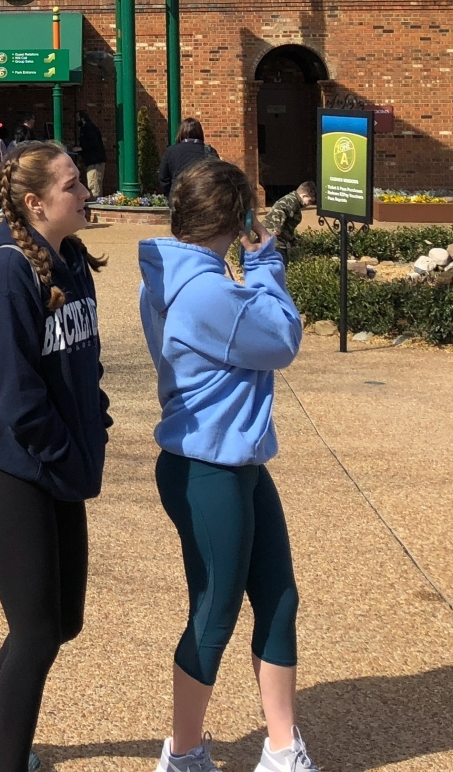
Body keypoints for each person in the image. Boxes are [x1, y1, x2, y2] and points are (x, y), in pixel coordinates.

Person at [138, 159, 312, 772]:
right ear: (235, 220)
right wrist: (265, 262)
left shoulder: (172, 271)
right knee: (214, 611)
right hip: (206, 468)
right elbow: (282, 338)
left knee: (278, 596)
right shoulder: (208, 291)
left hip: (231, 461)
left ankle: (283, 747)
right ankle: (182, 754)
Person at [0, 142, 109, 772]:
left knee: (62, 620)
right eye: (73, 186)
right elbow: (14, 393)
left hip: (59, 461)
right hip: (9, 467)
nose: (85, 193)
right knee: (38, 628)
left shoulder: (71, 259)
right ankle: (10, 760)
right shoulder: (6, 273)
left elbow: (81, 362)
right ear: (36, 203)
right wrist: (64, 450)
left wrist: (94, 420)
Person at [157, 118, 218, 200]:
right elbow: (217, 176)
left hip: (178, 196)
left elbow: (163, 178)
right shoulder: (209, 151)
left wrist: (170, 194)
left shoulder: (171, 151)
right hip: (202, 198)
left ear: (181, 132)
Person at [261, 181, 318, 256]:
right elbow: (279, 210)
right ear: (304, 196)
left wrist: (293, 241)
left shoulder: (294, 201)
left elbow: (288, 228)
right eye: (310, 201)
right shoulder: (291, 201)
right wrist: (277, 229)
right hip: (274, 242)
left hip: (274, 240)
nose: (310, 204)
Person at [77, 111, 108, 199]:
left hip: (95, 162)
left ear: (82, 118)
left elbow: (93, 143)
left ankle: (95, 206)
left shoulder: (88, 128)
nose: (77, 121)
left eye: (77, 118)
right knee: (94, 184)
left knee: (94, 186)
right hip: (93, 161)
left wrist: (81, 148)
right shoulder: (87, 128)